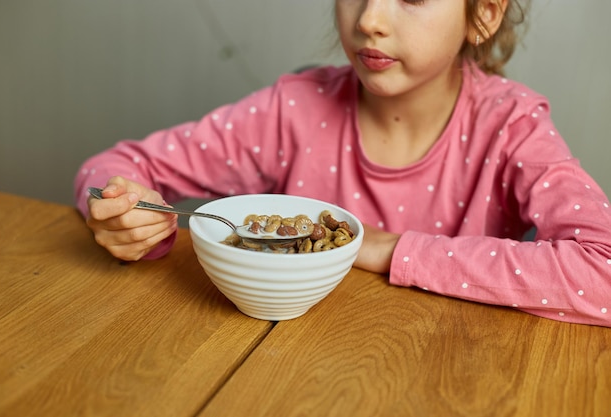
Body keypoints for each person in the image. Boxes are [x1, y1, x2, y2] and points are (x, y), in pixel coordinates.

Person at [75, 0, 611, 327]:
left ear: (483, 15)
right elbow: (112, 166)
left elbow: (603, 269)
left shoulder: (511, 126)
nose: (370, 20)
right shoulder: (293, 111)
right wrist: (124, 214)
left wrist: (389, 248)